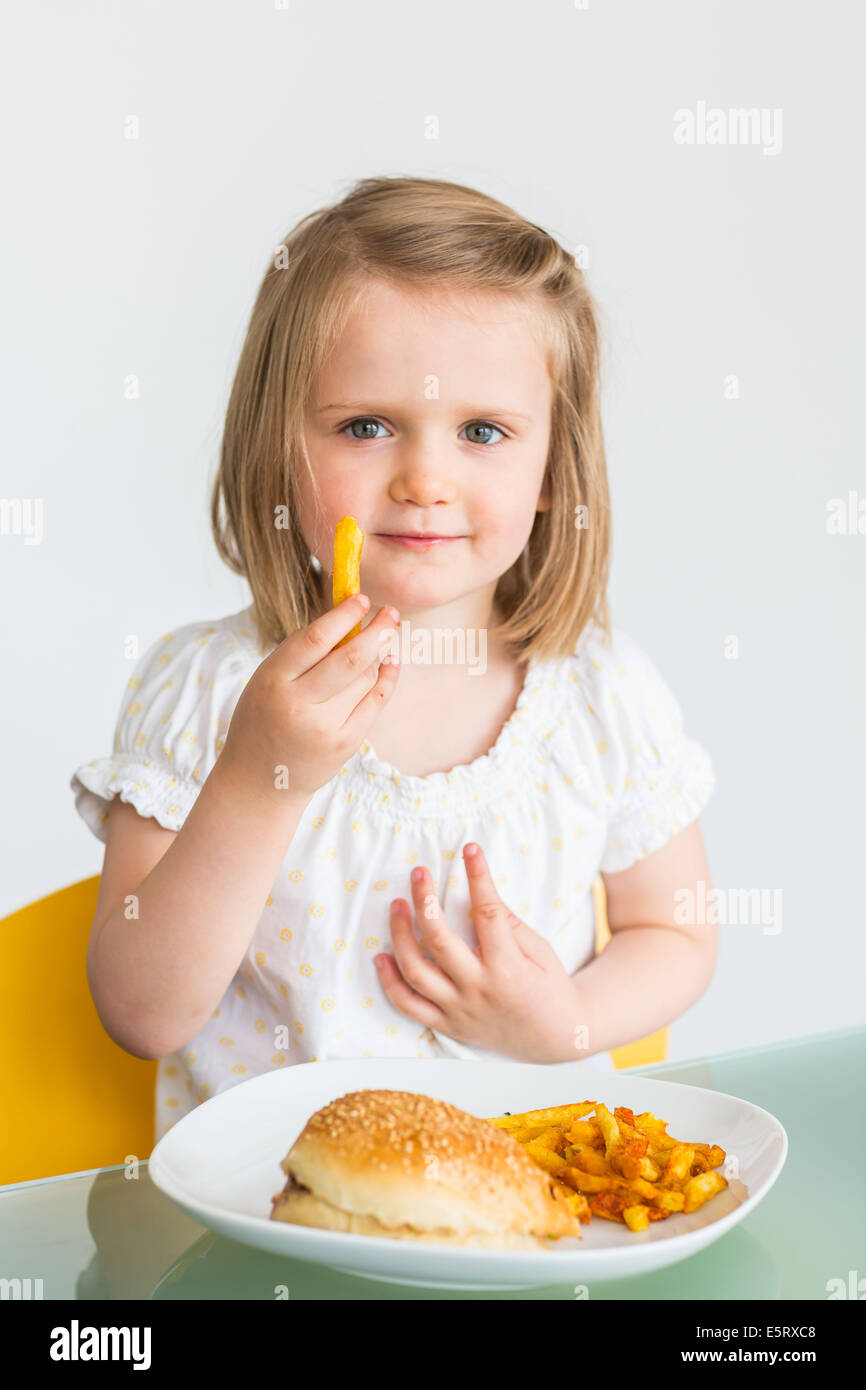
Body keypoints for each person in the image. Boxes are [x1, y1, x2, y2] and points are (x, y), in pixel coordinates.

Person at [71, 175, 717, 1144]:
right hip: (275, 1214)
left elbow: (675, 931)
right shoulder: (206, 690)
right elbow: (142, 1013)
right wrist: (260, 773)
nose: (424, 478)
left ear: (551, 472)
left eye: (482, 431)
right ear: (278, 445)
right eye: (365, 426)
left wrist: (563, 1022)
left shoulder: (599, 693)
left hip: (525, 1209)